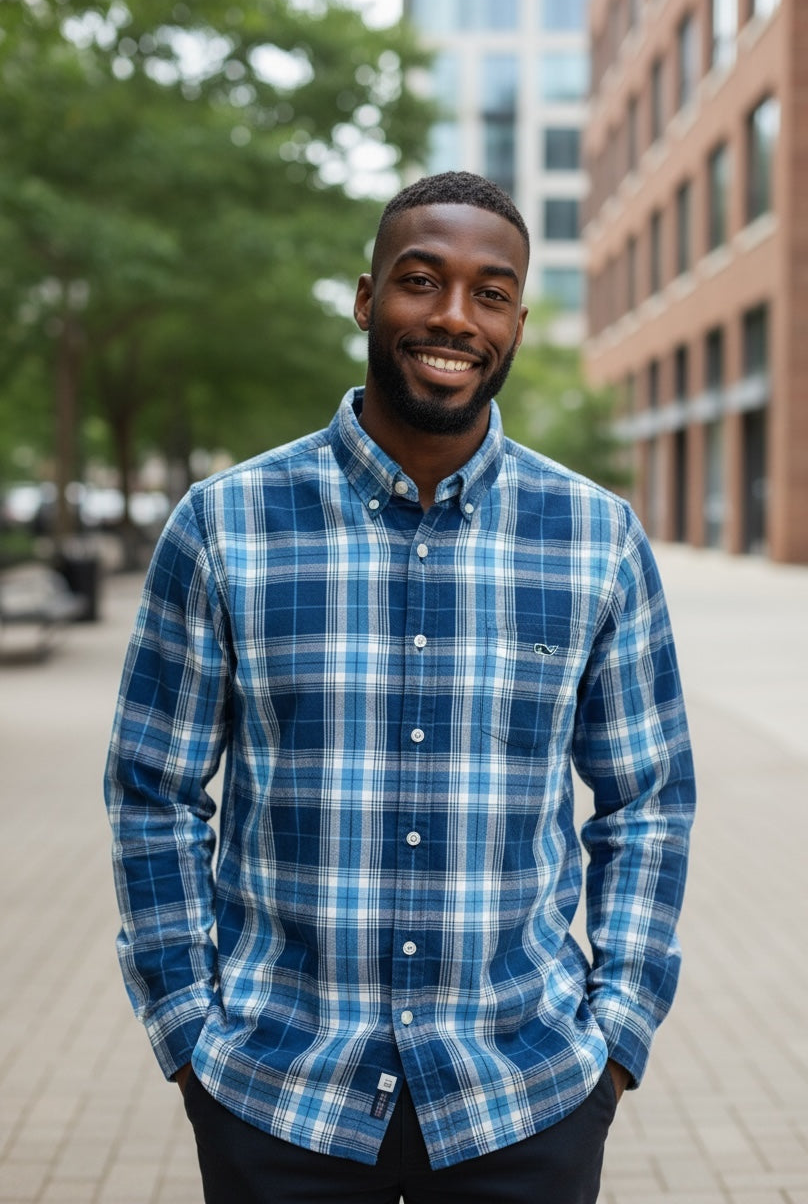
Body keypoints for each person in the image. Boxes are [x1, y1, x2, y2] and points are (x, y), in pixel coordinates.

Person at [105, 171, 695, 1204]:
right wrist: (187, 1030)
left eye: (491, 291)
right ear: (367, 298)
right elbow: (151, 789)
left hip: (526, 1093)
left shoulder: (597, 540)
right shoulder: (224, 525)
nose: (454, 317)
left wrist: (616, 1032)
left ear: (515, 319)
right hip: (276, 1091)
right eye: (422, 281)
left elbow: (648, 801)